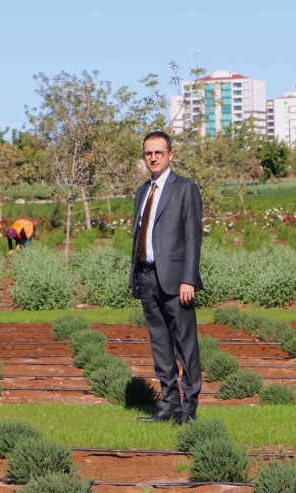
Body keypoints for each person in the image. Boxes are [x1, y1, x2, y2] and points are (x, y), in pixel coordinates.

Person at [129, 130, 203, 426]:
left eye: (159, 152)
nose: (153, 157)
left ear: (170, 155)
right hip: (146, 277)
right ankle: (169, 406)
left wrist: (189, 279)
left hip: (176, 281)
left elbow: (193, 237)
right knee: (160, 344)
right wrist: (134, 276)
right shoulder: (141, 192)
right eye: (148, 153)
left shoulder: (185, 189)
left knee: (186, 345)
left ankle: (189, 410)